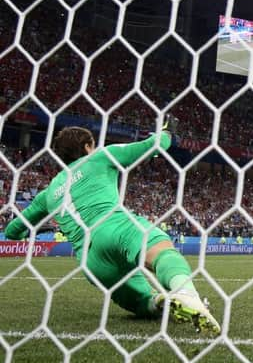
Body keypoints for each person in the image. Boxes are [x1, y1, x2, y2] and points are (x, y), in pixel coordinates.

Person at [4, 125, 220, 334]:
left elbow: (13, 231)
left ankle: (159, 303)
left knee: (143, 301)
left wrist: (33, 230)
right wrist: (166, 133)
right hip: (113, 226)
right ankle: (186, 294)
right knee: (161, 252)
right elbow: (154, 145)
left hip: (91, 262)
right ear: (88, 146)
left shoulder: (47, 193)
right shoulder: (100, 156)